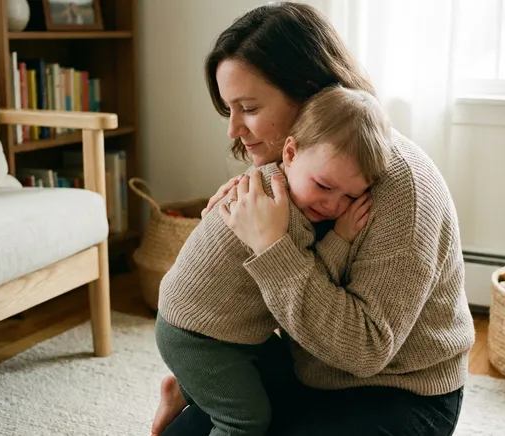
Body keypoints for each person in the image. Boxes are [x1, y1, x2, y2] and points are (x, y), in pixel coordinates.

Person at [152, 3, 476, 435]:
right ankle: (191, 389)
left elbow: (366, 351)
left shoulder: (400, 190)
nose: (233, 129)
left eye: (248, 107)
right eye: (228, 108)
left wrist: (272, 248)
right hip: (310, 370)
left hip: (399, 389)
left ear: (307, 94)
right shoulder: (295, 169)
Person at [155, 84, 392, 436]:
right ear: (291, 153)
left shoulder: (278, 183)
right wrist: (341, 238)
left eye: (350, 196)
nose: (332, 205)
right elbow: (309, 280)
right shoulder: (273, 210)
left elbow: (298, 279)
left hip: (231, 327)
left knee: (287, 376)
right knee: (246, 421)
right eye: (325, 186)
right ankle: (195, 388)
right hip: (196, 334)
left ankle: (184, 390)